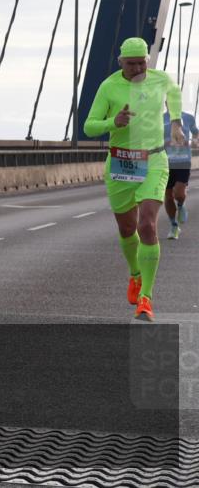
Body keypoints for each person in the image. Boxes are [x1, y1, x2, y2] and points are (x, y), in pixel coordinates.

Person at [83, 37, 185, 322]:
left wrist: (176, 123)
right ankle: (135, 273)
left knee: (147, 224)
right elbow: (88, 127)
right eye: (131, 64)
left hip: (153, 160)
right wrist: (112, 122)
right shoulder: (108, 86)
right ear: (120, 63)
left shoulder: (160, 79)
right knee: (127, 229)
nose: (138, 68)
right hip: (121, 163)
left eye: (142, 63)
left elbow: (174, 93)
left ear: (148, 61)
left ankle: (146, 299)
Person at [163, 110, 198, 239]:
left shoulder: (188, 117)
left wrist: (195, 140)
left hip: (183, 160)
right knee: (168, 196)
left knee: (179, 193)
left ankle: (181, 205)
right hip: (165, 162)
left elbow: (196, 133)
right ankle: (174, 226)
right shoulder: (160, 118)